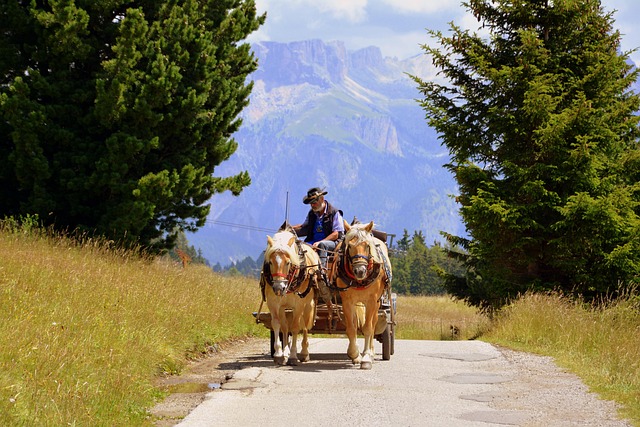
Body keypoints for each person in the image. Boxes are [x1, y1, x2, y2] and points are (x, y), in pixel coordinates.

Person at [292, 187, 344, 270]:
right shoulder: (312, 213)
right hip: (313, 242)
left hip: (333, 243)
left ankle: (321, 272)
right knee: (300, 247)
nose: (312, 205)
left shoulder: (334, 213)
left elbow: (336, 234)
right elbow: (303, 226)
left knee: (322, 245)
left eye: (314, 202)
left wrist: (320, 242)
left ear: (322, 199)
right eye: (311, 203)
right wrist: (290, 229)